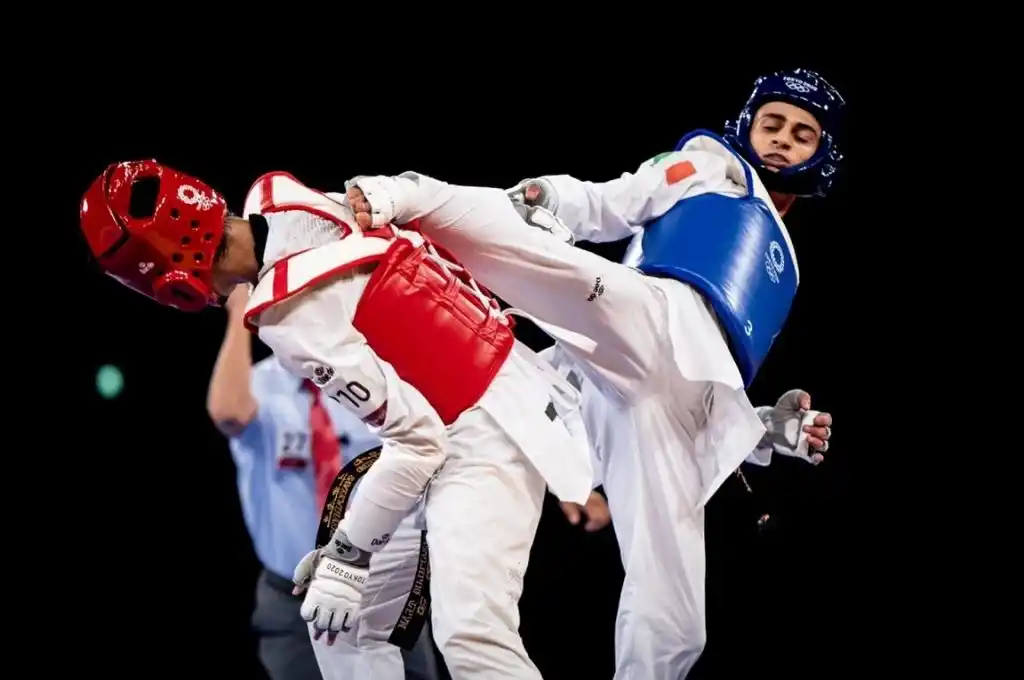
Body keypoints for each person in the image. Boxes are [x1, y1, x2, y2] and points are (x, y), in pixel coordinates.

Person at [340, 67, 843, 679]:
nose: (783, 139)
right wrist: (551, 198)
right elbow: (614, 201)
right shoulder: (713, 166)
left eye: (802, 133)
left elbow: (706, 383)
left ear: (823, 153)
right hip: (643, 320)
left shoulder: (781, 270)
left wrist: (762, 432)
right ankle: (410, 196)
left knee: (677, 617)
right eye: (773, 123)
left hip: (658, 409)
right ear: (748, 125)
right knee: (550, 265)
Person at [79, 161, 595, 680]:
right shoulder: (285, 201)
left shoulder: (292, 320)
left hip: (483, 428)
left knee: (471, 634)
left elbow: (418, 443)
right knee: (340, 626)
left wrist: (349, 553)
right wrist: (345, 552)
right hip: (488, 385)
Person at [206, 285, 441, 680]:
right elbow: (227, 413)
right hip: (291, 602)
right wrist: (238, 315)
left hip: (381, 591)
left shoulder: (374, 381)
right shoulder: (258, 387)